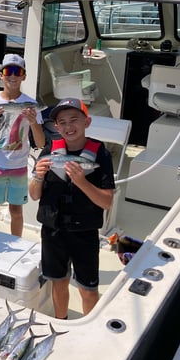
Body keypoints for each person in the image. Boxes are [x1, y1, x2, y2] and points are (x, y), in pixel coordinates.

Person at [29, 98, 115, 319]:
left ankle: (90, 328)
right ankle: (61, 321)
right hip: (53, 230)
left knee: (87, 288)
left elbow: (106, 202)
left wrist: (82, 182)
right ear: (56, 127)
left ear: (87, 121)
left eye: (74, 120)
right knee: (58, 282)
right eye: (62, 122)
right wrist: (38, 176)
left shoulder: (101, 155)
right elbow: (34, 194)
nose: (69, 127)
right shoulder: (50, 149)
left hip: (84, 232)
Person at [0, 53, 45, 237]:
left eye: (18, 71)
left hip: (19, 167)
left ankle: (17, 241)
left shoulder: (31, 104)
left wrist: (33, 122)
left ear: (24, 76)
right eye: (9, 71)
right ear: (1, 74)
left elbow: (40, 143)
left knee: (16, 211)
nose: (13, 76)